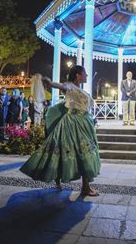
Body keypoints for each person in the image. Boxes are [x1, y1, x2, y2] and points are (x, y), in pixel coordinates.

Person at [20, 65, 101, 196]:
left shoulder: (80, 89)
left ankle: (84, 186)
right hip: (73, 124)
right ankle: (82, 186)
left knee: (84, 154)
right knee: (79, 153)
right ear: (78, 75)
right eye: (85, 73)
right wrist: (48, 82)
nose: (86, 76)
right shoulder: (69, 86)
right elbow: (58, 86)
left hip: (84, 124)